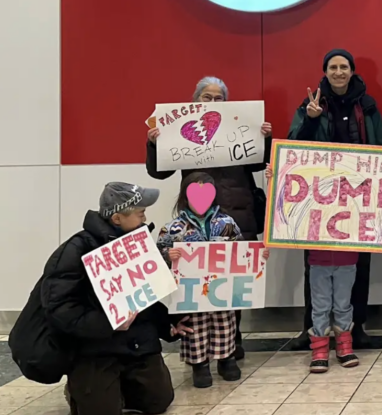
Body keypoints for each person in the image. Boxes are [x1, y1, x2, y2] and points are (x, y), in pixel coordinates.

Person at [40, 182, 191, 415]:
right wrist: (107, 322)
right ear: (117, 217)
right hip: (95, 347)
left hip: (137, 344)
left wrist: (168, 324)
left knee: (158, 402)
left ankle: (119, 387)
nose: (145, 216)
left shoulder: (141, 246)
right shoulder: (75, 250)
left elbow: (146, 297)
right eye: (139, 212)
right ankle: (79, 389)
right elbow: (59, 308)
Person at [145, 75, 272, 359]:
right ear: (195, 100)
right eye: (207, 97)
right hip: (196, 218)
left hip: (237, 217)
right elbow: (159, 172)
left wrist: (264, 138)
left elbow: (258, 162)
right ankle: (200, 347)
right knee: (197, 281)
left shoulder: (240, 126)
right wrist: (155, 145)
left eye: (219, 98)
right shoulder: (179, 129)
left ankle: (231, 342)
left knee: (234, 283)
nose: (213, 102)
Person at [287, 49, 382, 350]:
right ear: (325, 71)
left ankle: (356, 328)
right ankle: (311, 329)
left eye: (344, 67)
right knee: (314, 265)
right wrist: (309, 118)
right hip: (318, 198)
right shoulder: (312, 104)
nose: (339, 72)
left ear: (353, 71)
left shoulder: (368, 105)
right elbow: (293, 148)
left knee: (360, 263)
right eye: (333, 67)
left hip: (359, 197)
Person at [264, 168, 361, 372]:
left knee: (343, 304)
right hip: (319, 260)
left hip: (347, 258)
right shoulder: (312, 198)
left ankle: (344, 347)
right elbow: (289, 201)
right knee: (320, 305)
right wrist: (276, 177)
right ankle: (320, 350)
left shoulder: (354, 198)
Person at [157, 172, 243, 388]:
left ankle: (226, 358)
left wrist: (257, 256)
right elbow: (157, 255)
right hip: (190, 291)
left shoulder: (227, 222)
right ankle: (200, 364)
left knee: (225, 321)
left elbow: (241, 250)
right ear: (185, 197)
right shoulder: (173, 228)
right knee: (195, 324)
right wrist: (167, 255)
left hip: (221, 286)